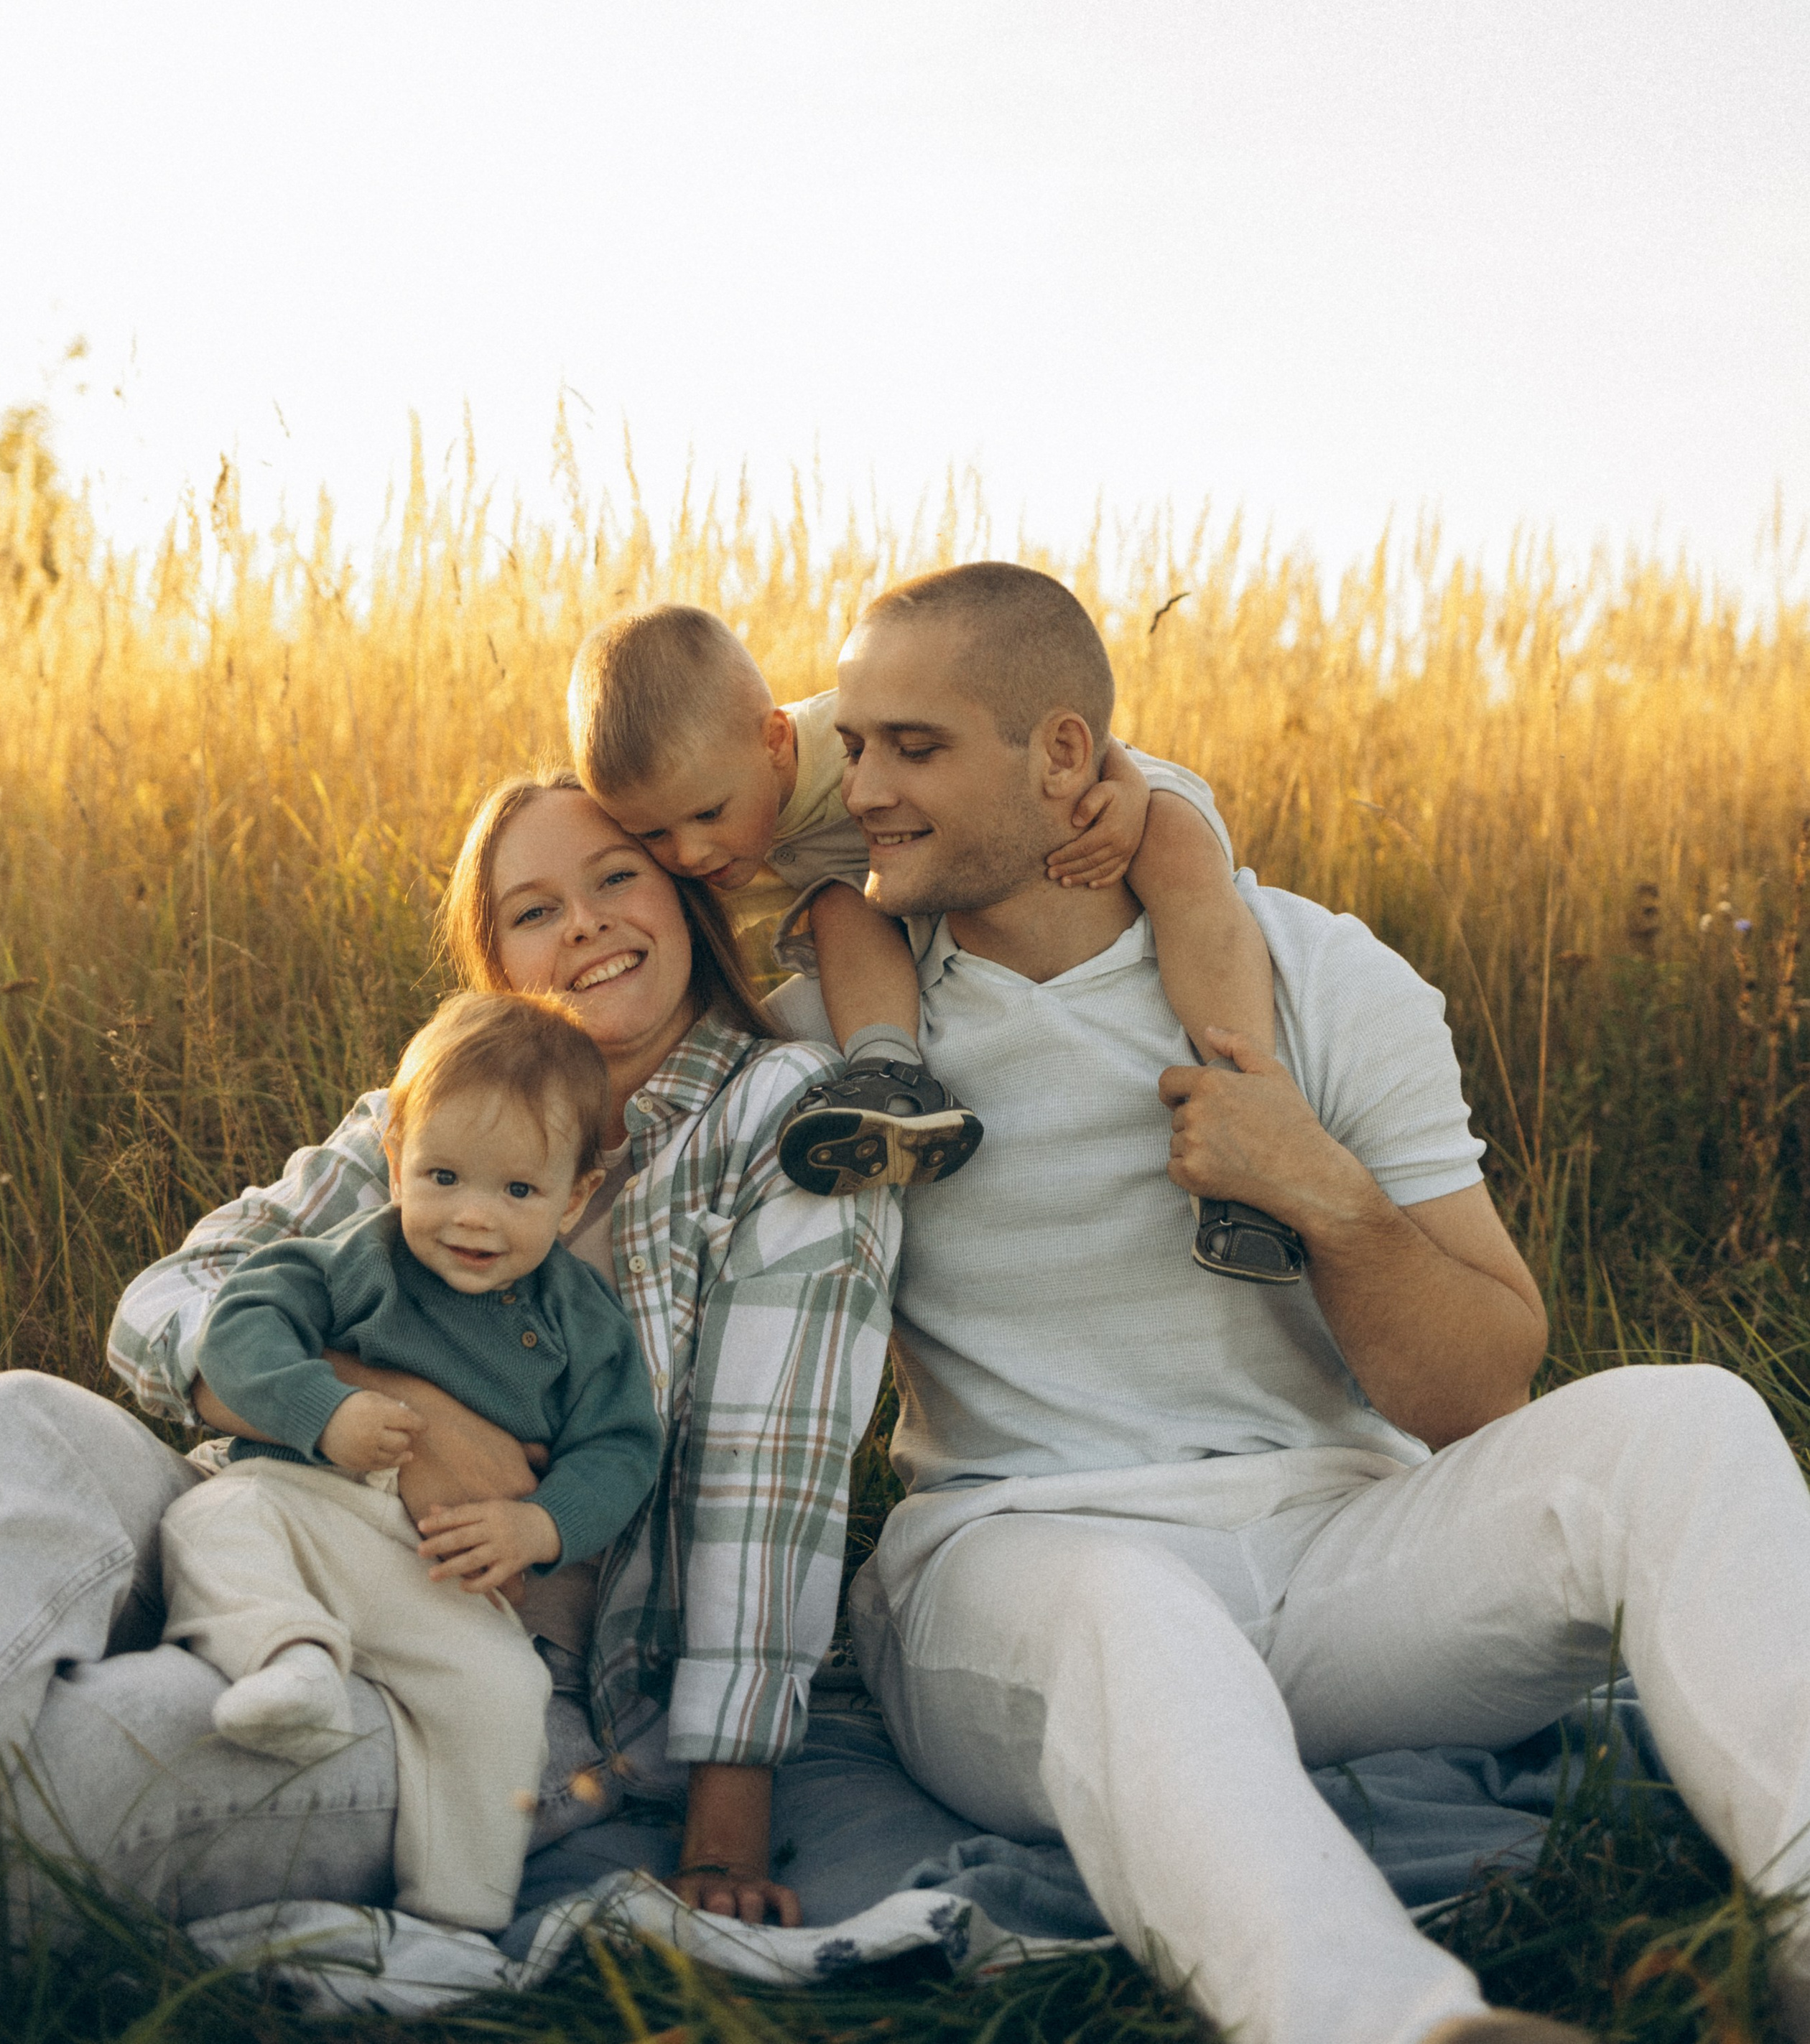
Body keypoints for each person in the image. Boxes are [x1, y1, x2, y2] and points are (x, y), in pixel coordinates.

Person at [774, 559, 1810, 2044]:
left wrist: (1325, 1195)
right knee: (1125, 1607)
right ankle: (1392, 2024)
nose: (864, 788)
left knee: (1688, 1424)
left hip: (1343, 1564)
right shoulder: (838, 1037)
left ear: (1061, 755)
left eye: (913, 748)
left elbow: (1477, 1391)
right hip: (1021, 1561)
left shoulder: (1319, 973)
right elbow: (683, 822)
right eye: (853, 746)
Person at [0, 774, 895, 1943]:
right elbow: (167, 1297)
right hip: (265, 1517)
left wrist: (725, 1830)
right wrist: (375, 1407)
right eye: (534, 910)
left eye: (617, 878)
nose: (584, 926)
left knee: (93, 1758)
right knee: (18, 1419)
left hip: (490, 1652)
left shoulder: (780, 1116)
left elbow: (768, 1475)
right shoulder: (424, 1113)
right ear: (498, 962)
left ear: (683, 894)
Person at [157, 990, 662, 1929]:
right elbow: (240, 1324)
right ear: (394, 1159)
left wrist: (538, 1526)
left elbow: (621, 1446)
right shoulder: (357, 1258)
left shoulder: (578, 1319)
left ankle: (460, 1915)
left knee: (502, 1688)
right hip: (301, 1503)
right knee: (214, 1520)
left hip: (437, 1565)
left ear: (574, 1197)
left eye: (518, 1192)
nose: (474, 1217)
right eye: (444, 1176)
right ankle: (291, 1662)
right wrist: (325, 1408)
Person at [569, 602, 1280, 1228]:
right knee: (838, 903)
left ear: (776, 740)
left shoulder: (840, 736)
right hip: (899, 895)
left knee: (1175, 846)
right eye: (653, 834)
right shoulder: (699, 847)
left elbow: (1025, 723)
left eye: (709, 814)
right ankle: (891, 1080)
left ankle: (1246, 1089)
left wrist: (1121, 784)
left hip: (1066, 803)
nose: (690, 852)